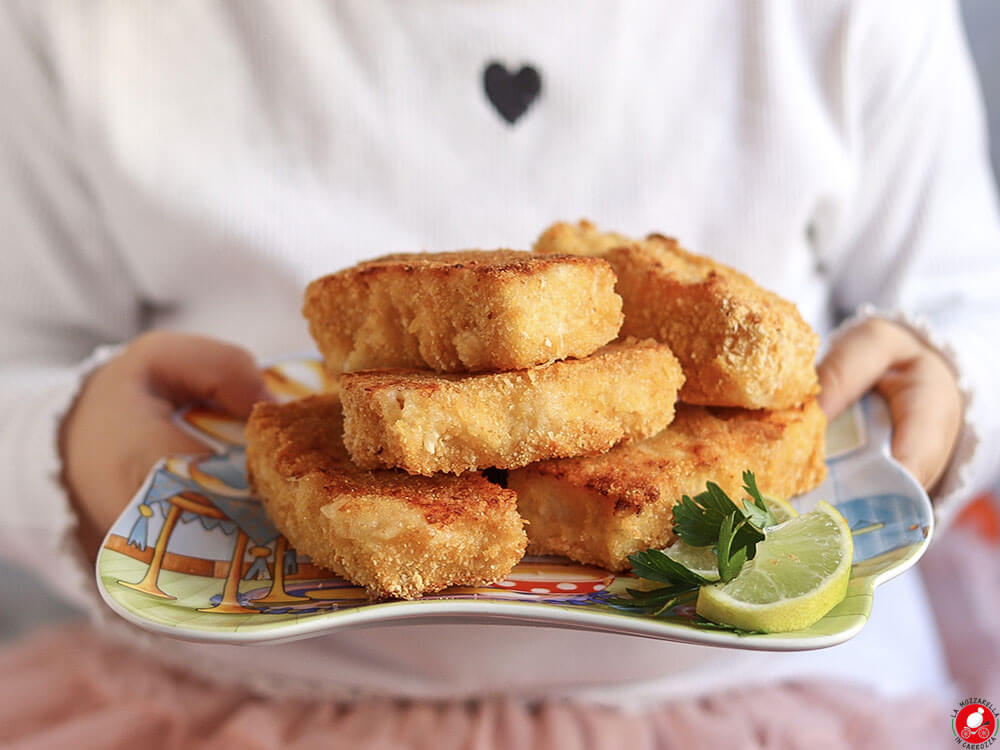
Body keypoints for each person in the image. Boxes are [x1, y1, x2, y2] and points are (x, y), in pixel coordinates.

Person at [1, 1, 998, 747]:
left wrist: (945, 388)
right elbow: (18, 350)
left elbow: (965, 304)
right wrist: (70, 444)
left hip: (796, 695)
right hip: (231, 702)